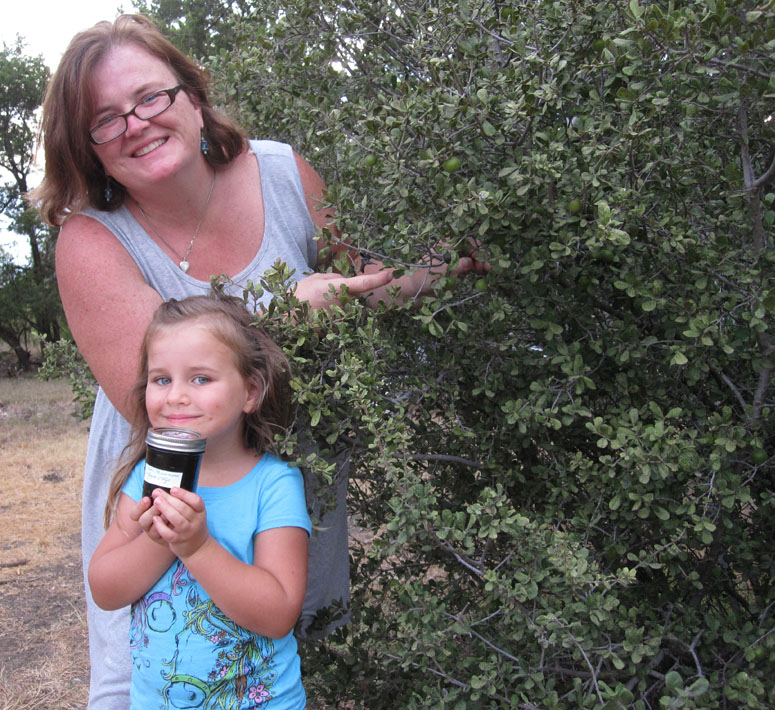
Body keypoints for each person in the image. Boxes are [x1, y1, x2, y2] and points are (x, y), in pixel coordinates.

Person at [29, 13, 488, 708]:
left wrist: (453, 268)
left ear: (191, 95)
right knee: (165, 671)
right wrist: (288, 317)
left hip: (280, 473)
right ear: (85, 147)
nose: (135, 123)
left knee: (276, 660)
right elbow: (149, 402)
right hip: (168, 484)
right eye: (105, 118)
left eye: (151, 97)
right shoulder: (90, 240)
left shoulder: (281, 174)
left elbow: (365, 279)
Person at [88, 293, 310, 709]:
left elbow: (279, 613)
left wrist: (198, 548)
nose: (175, 396)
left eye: (200, 379)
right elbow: (104, 588)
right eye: (161, 379)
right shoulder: (144, 479)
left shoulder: (273, 484)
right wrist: (156, 540)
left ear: (250, 391)